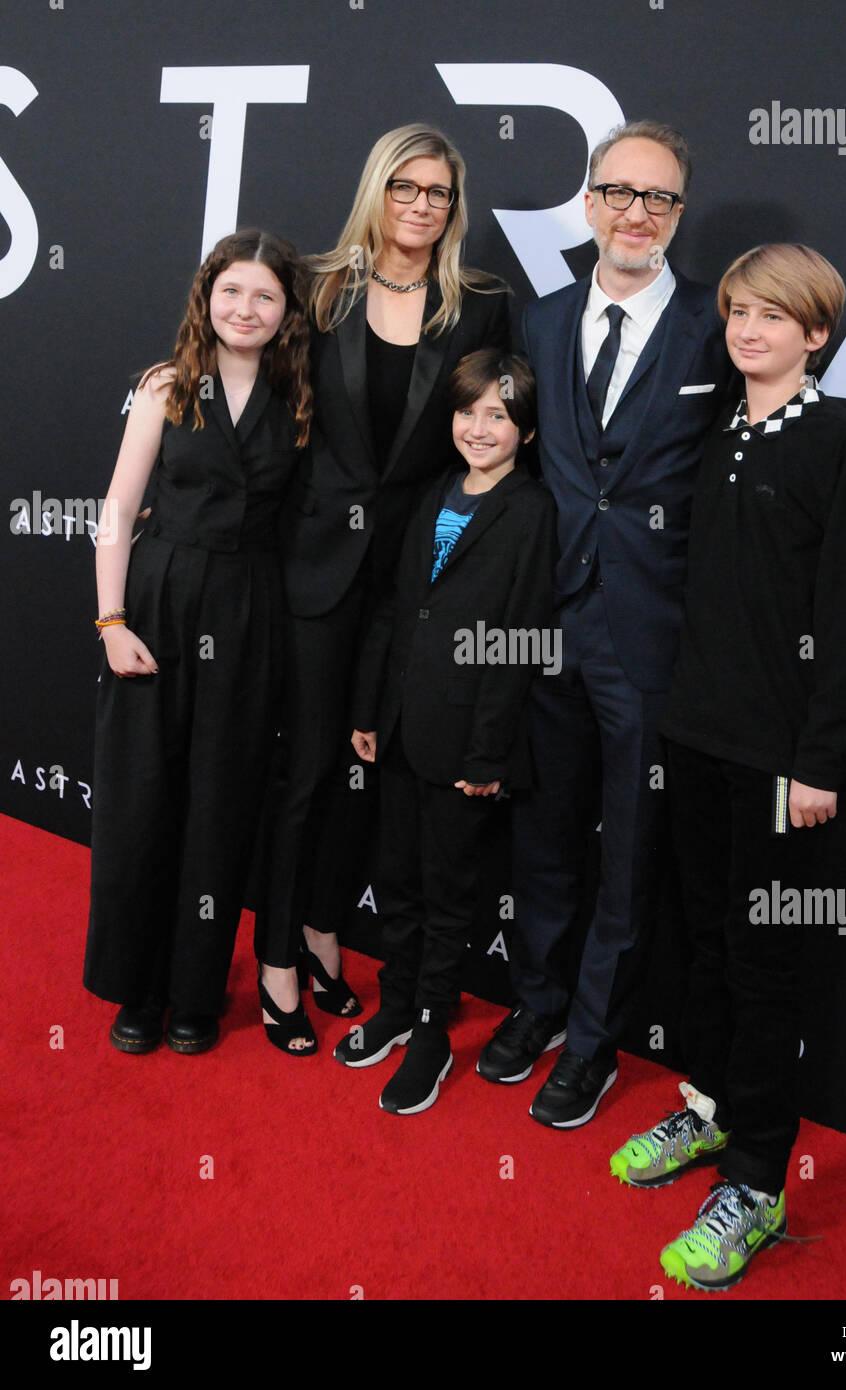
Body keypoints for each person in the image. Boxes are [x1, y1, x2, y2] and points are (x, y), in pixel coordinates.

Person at [609, 243, 846, 1290]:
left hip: (782, 765)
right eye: (735, 312)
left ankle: (759, 1184)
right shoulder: (717, 428)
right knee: (706, 943)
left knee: (765, 967)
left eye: (772, 316)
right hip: (695, 737)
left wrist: (816, 761)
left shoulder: (843, 443)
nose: (748, 330)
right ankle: (710, 1110)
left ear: (814, 332)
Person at [476, 119, 731, 1127]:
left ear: (678, 215)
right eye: (617, 193)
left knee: (627, 849)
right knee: (541, 835)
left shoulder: (721, 323)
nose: (635, 214)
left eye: (658, 199)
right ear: (587, 204)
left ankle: (590, 1041)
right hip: (548, 622)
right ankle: (535, 1005)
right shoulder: (537, 324)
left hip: (652, 631)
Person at [254, 124, 510, 1056]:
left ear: (455, 204)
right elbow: (263, 401)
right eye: (404, 186)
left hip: (415, 583)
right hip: (315, 570)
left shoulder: (480, 305)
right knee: (309, 769)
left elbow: (495, 437)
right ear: (377, 188)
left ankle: (326, 931)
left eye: (438, 191)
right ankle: (278, 956)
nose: (420, 204)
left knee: (372, 776)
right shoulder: (320, 288)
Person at [84, 229, 312, 1055]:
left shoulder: (301, 397)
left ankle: (194, 993)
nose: (245, 309)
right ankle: (135, 988)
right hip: (156, 601)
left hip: (248, 611)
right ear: (205, 296)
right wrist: (110, 623)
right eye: (231, 291)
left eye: (265, 296)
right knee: (143, 802)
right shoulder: (168, 386)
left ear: (287, 312)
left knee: (219, 808)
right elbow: (116, 509)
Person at [336, 349, 555, 1113]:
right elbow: (395, 609)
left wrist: (489, 748)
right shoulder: (432, 493)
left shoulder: (531, 510)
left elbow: (522, 637)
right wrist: (367, 710)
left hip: (466, 742)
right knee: (395, 876)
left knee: (447, 889)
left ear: (526, 432)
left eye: (499, 415)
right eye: (469, 411)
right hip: (398, 725)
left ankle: (431, 1028)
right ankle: (396, 1004)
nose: (480, 427)